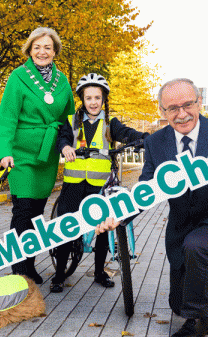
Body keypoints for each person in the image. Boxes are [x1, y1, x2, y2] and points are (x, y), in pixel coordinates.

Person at [95, 79, 208, 337]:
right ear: (162, 112)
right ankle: (204, 283)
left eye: (188, 105)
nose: (182, 114)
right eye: (172, 108)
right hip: (183, 224)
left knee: (197, 247)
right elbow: (145, 190)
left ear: (199, 102)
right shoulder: (156, 143)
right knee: (176, 303)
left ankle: (199, 321)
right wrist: (118, 216)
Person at [49, 73, 149, 293]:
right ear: (82, 100)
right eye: (88, 98)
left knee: (103, 229)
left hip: (99, 186)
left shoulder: (110, 123)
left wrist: (143, 138)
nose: (93, 102)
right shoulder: (71, 122)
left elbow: (126, 133)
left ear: (103, 99)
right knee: (66, 229)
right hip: (73, 185)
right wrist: (65, 147)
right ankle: (59, 275)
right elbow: (63, 138)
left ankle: (98, 272)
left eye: (97, 97)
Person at [0, 27, 75, 284]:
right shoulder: (18, 77)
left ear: (55, 52)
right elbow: (6, 118)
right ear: (29, 49)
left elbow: (69, 119)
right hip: (21, 155)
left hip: (47, 155)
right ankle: (19, 270)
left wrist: (74, 143)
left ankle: (28, 263)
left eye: (47, 48)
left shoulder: (62, 81)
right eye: (37, 47)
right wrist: (4, 153)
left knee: (37, 213)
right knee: (23, 210)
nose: (42, 52)